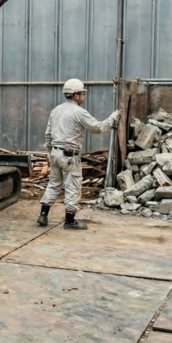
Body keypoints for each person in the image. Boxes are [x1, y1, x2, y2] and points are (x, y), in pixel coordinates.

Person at [40, 78, 120, 230]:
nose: (84, 96)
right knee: (73, 187)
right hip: (70, 156)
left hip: (56, 153)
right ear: (75, 95)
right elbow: (97, 127)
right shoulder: (79, 112)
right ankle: (69, 221)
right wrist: (112, 119)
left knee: (53, 185)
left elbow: (48, 134)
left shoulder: (56, 110)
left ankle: (43, 214)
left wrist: (51, 153)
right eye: (83, 93)